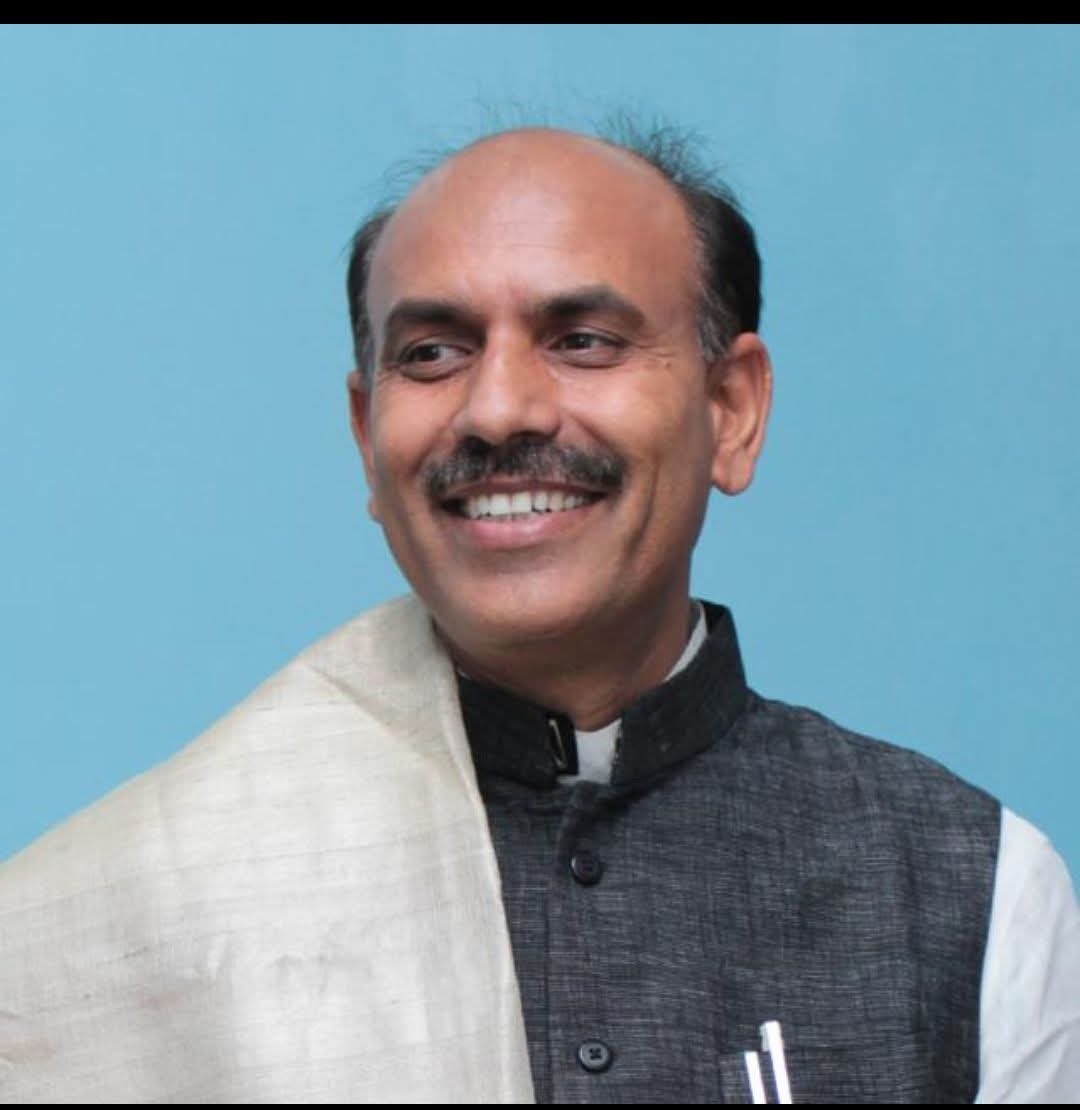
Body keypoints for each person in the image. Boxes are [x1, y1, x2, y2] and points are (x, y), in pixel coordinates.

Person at [1, 124, 1076, 1103]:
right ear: (367, 437)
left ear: (731, 410)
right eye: (433, 353)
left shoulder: (965, 892)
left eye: (584, 340)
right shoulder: (132, 912)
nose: (498, 407)